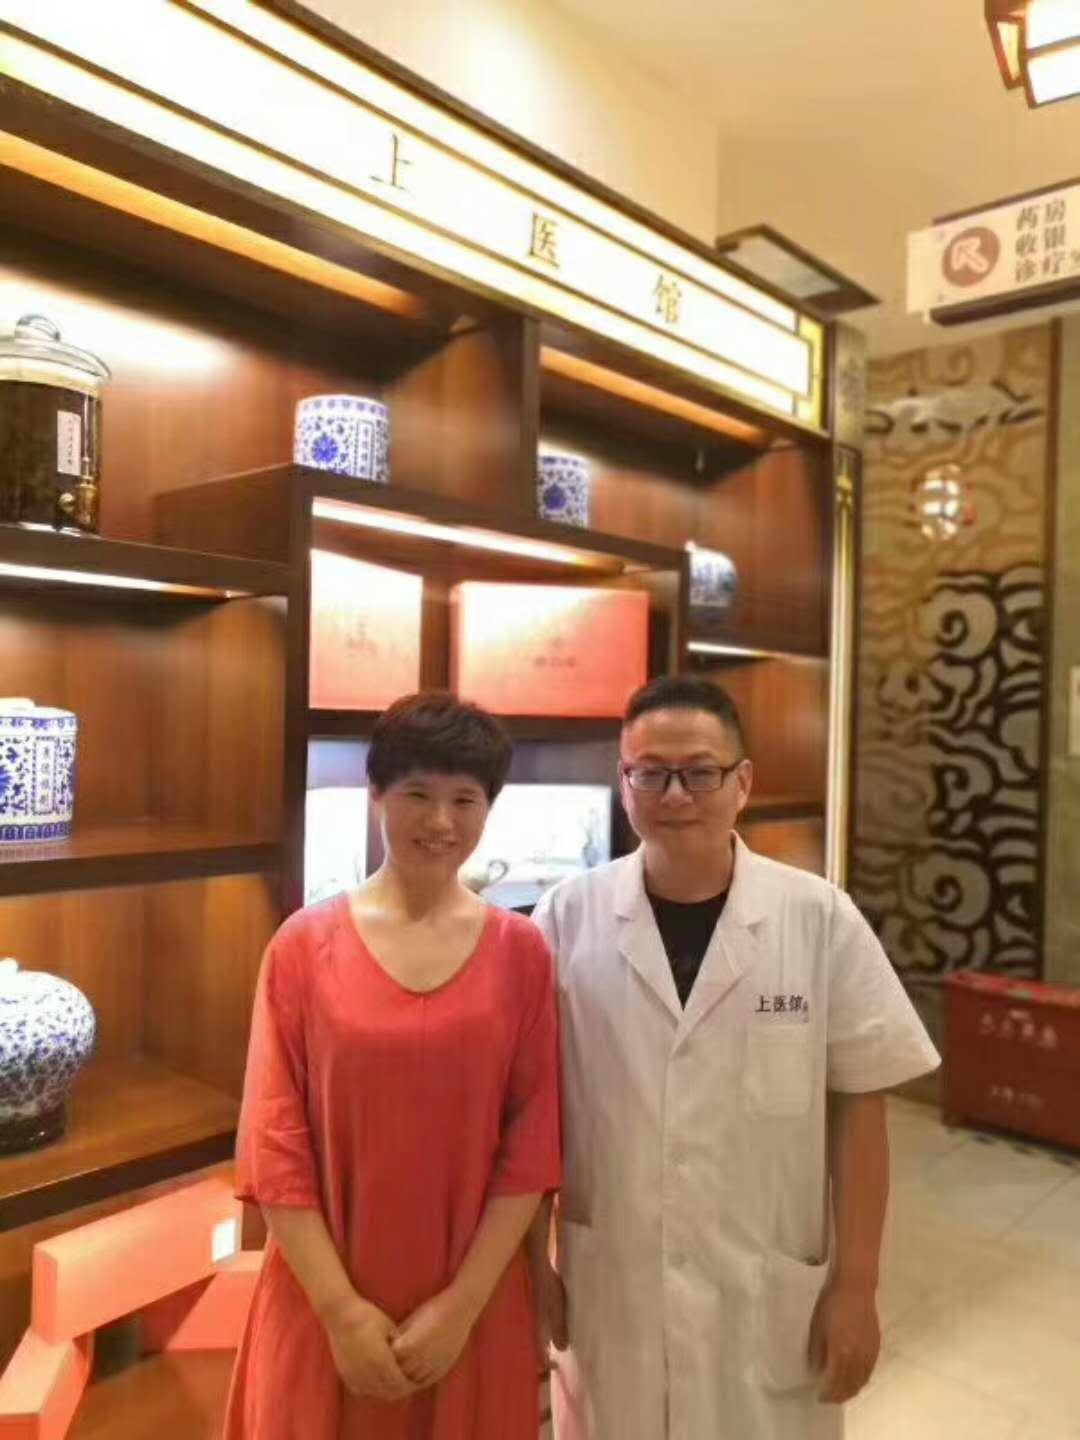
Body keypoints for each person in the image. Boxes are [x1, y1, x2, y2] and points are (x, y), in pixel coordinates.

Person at [531, 675, 939, 1440]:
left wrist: (857, 1284)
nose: (674, 794)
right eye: (650, 773)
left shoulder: (817, 919)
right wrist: (534, 1265)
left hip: (764, 1293)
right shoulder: (566, 917)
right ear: (623, 783)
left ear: (742, 782)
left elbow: (860, 1106)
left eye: (699, 772)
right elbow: (531, 1110)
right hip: (614, 1285)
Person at [224, 692, 561, 1440]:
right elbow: (274, 1147)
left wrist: (462, 1308)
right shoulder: (302, 947)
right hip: (323, 1302)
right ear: (376, 792)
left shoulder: (523, 953)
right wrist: (342, 1312)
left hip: (471, 1309)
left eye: (464, 799)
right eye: (417, 794)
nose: (440, 821)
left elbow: (532, 1145)